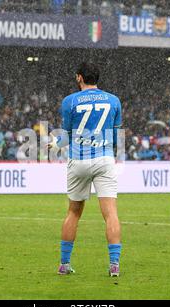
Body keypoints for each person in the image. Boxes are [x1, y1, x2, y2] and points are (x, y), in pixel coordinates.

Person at [49, 62, 122, 277]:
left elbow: (67, 134)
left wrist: (56, 143)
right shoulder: (113, 100)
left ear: (79, 77)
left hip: (78, 161)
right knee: (110, 214)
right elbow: (116, 136)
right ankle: (114, 266)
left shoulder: (69, 101)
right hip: (104, 159)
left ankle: (64, 264)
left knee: (73, 212)